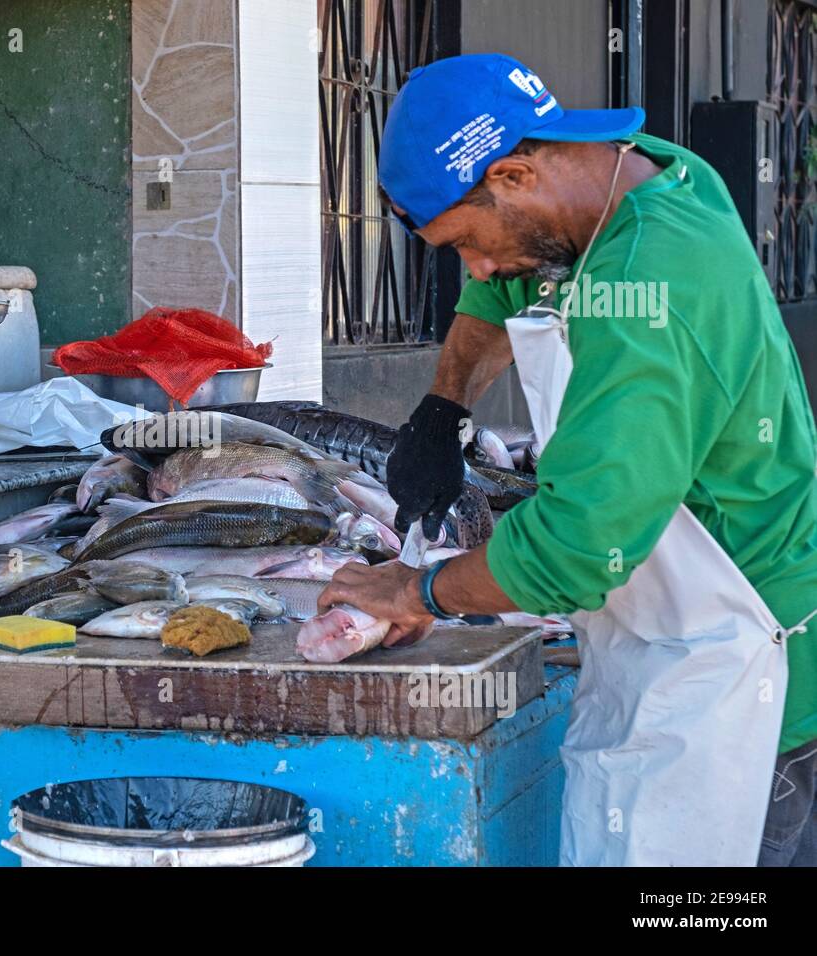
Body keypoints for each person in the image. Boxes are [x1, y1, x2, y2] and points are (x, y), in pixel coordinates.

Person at [317, 53, 817, 866]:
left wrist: (415, 590)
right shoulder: (633, 176)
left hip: (740, 681)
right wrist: (443, 409)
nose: (472, 270)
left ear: (513, 174)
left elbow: (578, 547)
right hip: (664, 629)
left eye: (466, 243)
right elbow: (504, 289)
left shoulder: (650, 292)